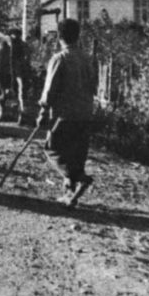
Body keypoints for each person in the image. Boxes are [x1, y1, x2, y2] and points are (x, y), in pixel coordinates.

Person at [38, 18, 97, 207]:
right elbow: (94, 87)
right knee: (76, 154)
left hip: (65, 115)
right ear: (78, 36)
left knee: (51, 149)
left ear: (60, 37)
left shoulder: (59, 58)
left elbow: (49, 90)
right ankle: (70, 196)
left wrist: (42, 111)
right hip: (86, 113)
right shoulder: (87, 59)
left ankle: (79, 177)